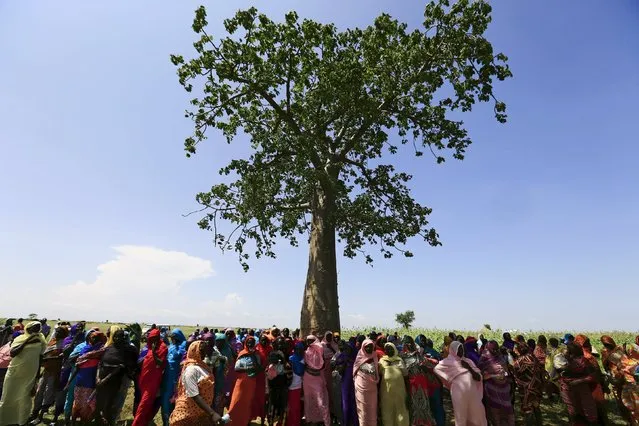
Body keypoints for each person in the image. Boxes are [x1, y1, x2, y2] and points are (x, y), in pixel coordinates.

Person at [0, 321, 47, 425]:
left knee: (24, 399)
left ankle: (21, 421)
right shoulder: (19, 339)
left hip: (30, 375)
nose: (36, 331)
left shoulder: (41, 341)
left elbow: (40, 358)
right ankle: (4, 420)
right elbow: (12, 353)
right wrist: (27, 341)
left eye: (38, 329)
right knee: (8, 396)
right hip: (15, 373)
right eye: (34, 328)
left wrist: (37, 377)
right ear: (28, 329)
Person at [169, 340, 224, 425]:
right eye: (201, 351)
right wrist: (212, 413)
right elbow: (194, 395)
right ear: (193, 351)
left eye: (204, 351)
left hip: (201, 412)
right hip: (188, 413)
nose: (204, 354)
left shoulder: (202, 366)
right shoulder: (191, 370)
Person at [434, 340, 486, 426]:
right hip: (458, 392)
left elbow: (479, 377)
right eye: (459, 349)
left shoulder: (468, 361)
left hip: (472, 392)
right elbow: (436, 369)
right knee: (461, 414)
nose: (462, 351)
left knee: (477, 413)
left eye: (462, 349)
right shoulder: (447, 362)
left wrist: (469, 368)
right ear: (453, 350)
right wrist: (450, 379)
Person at [95, 329, 138, 425]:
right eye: (116, 336)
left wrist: (104, 380)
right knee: (99, 405)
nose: (118, 338)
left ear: (124, 338)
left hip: (113, 382)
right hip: (100, 381)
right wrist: (98, 378)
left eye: (121, 336)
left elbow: (121, 367)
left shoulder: (127, 351)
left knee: (109, 406)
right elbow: (100, 363)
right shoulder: (109, 348)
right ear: (113, 337)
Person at [30, 324, 69, 424]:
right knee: (39, 392)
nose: (57, 333)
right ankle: (34, 413)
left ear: (64, 333)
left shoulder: (65, 344)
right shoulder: (52, 341)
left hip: (55, 373)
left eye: (60, 332)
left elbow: (61, 358)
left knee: (48, 393)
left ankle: (41, 416)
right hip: (46, 371)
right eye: (57, 331)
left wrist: (46, 359)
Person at [400, 336, 439, 426]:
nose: (409, 345)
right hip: (411, 384)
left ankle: (425, 423)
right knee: (413, 406)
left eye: (410, 343)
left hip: (421, 383)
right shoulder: (402, 357)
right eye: (407, 344)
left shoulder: (418, 355)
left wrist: (426, 366)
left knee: (424, 405)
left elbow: (432, 364)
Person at [69, 331, 107, 423]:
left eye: (96, 338)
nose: (93, 339)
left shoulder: (102, 350)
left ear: (100, 339)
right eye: (91, 337)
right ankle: (73, 421)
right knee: (77, 403)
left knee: (87, 404)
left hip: (91, 381)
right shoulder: (85, 348)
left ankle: (83, 421)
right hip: (80, 379)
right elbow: (78, 363)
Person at [132, 328, 168, 426]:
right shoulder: (147, 347)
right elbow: (140, 362)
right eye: (151, 338)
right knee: (145, 405)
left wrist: (153, 353)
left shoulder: (163, 347)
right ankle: (144, 422)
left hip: (153, 382)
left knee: (143, 406)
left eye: (154, 338)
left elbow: (161, 364)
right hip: (143, 380)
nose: (152, 341)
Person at [556, 343, 598, 425]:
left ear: (572, 352)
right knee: (574, 410)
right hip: (569, 389)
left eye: (567, 349)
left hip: (580, 389)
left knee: (587, 409)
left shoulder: (583, 361)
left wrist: (578, 381)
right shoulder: (569, 361)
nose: (565, 351)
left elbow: (593, 376)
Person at [600, 335, 639, 424]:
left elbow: (626, 366)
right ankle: (630, 420)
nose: (607, 346)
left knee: (631, 404)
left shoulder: (619, 351)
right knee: (627, 404)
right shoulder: (610, 352)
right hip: (620, 380)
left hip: (625, 380)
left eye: (608, 344)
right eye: (605, 344)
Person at [478, 341, 515, 426]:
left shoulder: (500, 357)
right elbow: (481, 376)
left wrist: (504, 374)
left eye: (496, 348)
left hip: (504, 389)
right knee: (494, 412)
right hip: (491, 390)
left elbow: (507, 372)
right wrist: (494, 376)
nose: (495, 350)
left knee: (506, 409)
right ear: (488, 349)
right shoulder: (483, 360)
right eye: (492, 348)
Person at [574, 335, 608, 424]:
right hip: (592, 385)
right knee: (596, 408)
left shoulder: (579, 355)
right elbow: (596, 372)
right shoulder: (588, 357)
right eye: (587, 343)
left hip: (587, 385)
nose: (589, 345)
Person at [228, 336, 261, 426]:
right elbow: (236, 368)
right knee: (236, 401)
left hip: (251, 382)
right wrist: (248, 367)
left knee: (247, 403)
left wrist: (253, 357)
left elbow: (259, 368)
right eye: (248, 342)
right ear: (245, 343)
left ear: (255, 344)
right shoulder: (242, 353)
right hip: (241, 382)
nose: (250, 344)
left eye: (252, 343)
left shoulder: (257, 354)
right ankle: (232, 421)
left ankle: (244, 422)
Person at [512, 343, 545, 426]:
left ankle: (530, 423)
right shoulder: (533, 357)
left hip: (527, 387)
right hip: (536, 384)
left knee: (527, 407)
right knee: (535, 404)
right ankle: (539, 423)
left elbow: (516, 370)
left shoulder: (521, 360)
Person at [160, 328, 187, 426]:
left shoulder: (183, 345)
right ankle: (166, 422)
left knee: (174, 400)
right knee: (166, 400)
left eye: (173, 337)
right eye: (171, 338)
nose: (172, 339)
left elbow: (181, 356)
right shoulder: (171, 346)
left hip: (176, 378)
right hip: (167, 377)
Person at [379, 342, 410, 426]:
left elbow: (406, 375)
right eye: (387, 349)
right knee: (387, 411)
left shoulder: (399, 360)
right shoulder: (382, 361)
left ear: (394, 350)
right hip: (386, 392)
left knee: (401, 410)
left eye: (391, 349)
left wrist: (408, 392)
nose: (389, 350)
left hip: (399, 392)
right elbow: (379, 375)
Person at [303, 335, 331, 426]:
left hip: (317, 378)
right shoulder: (306, 351)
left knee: (321, 401)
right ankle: (310, 419)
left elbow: (322, 365)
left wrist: (315, 367)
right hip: (307, 378)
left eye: (311, 341)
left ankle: (326, 422)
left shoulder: (320, 350)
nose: (309, 343)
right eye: (308, 341)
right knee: (308, 400)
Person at [353, 338, 379, 426]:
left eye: (371, 347)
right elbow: (354, 372)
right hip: (361, 389)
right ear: (363, 347)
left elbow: (377, 372)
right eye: (367, 347)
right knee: (363, 409)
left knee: (372, 409)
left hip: (372, 389)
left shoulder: (375, 356)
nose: (369, 349)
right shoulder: (359, 357)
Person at [266, 337, 289, 425]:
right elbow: (270, 368)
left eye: (282, 344)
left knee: (282, 406)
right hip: (274, 384)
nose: (281, 346)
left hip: (283, 384)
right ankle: (271, 422)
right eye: (279, 344)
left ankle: (280, 423)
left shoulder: (286, 355)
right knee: (273, 405)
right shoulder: (272, 354)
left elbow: (288, 371)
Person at [252, 334, 272, 424]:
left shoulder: (270, 349)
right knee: (255, 398)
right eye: (262, 340)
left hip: (266, 377)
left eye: (265, 340)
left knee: (265, 399)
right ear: (259, 340)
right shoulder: (256, 349)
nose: (263, 342)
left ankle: (263, 419)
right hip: (256, 377)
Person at [286, 341, 305, 426]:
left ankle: (295, 422)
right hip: (291, 385)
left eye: (300, 349)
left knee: (296, 407)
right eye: (297, 349)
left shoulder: (303, 359)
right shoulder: (291, 358)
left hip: (298, 386)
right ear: (294, 349)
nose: (299, 351)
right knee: (292, 407)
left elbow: (300, 372)